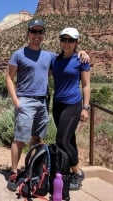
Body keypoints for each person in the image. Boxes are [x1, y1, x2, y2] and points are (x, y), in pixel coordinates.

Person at [6, 19, 89, 191]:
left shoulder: (50, 56)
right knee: (20, 138)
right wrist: (16, 100)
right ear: (28, 33)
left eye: (40, 32)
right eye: (33, 32)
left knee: (39, 138)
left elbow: (72, 61)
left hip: (45, 101)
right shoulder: (20, 54)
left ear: (43, 35)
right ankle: (14, 172)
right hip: (28, 101)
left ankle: (34, 170)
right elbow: (9, 77)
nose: (37, 35)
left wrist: (83, 52)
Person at [49, 27, 91, 191]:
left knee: (61, 140)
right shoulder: (55, 60)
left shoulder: (81, 60)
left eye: (70, 40)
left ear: (76, 43)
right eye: (63, 39)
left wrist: (85, 108)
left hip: (73, 105)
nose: (66, 43)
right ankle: (65, 170)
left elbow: (86, 86)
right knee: (69, 140)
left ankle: (77, 173)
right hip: (57, 105)